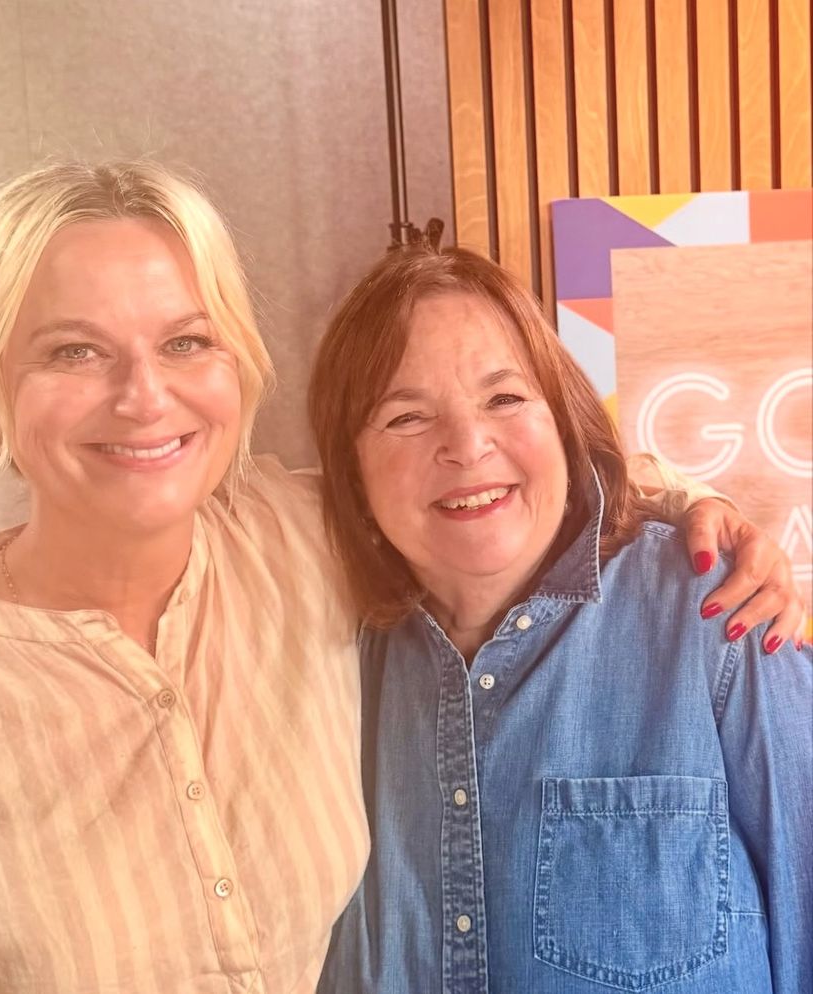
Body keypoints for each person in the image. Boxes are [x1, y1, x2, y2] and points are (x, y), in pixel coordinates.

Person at [0, 160, 803, 992]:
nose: (144, 395)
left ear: (234, 364)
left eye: (185, 340)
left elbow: (502, 473)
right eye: (72, 350)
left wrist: (690, 507)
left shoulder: (301, 542)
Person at [309, 245, 812, 993]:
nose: (468, 446)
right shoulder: (326, 661)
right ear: (350, 471)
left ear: (563, 419)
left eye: (505, 399)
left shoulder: (713, 616)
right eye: (406, 416)